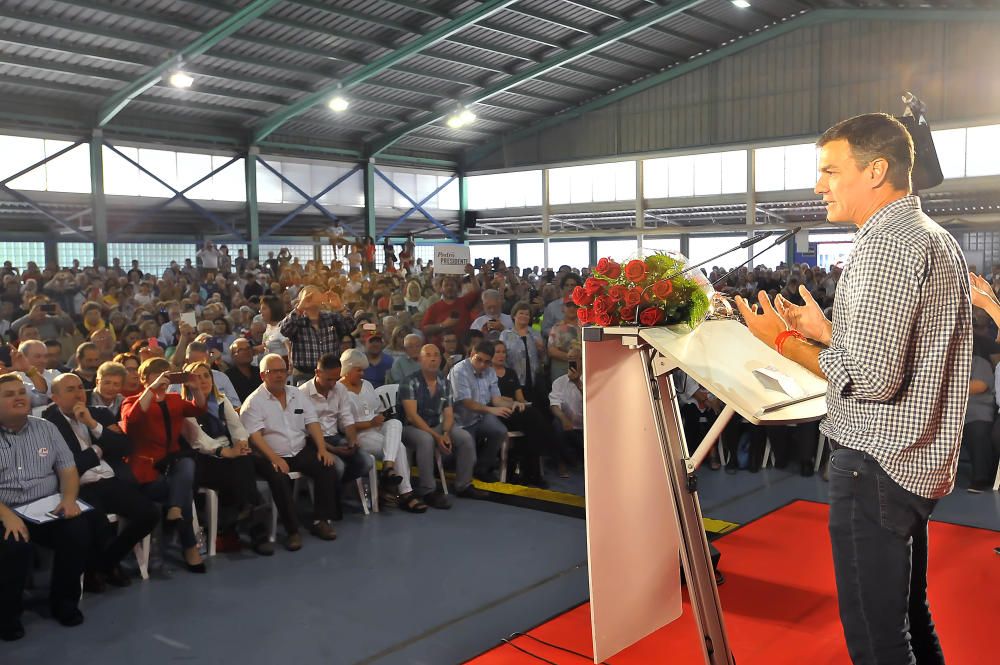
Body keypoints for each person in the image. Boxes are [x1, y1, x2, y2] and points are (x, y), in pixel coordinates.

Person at [737, 113, 971, 664]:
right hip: (917, 459)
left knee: (877, 639)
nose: (819, 185)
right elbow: (903, 351)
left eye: (831, 170)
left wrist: (784, 343)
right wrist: (827, 331)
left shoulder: (884, 245)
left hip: (876, 463)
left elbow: (872, 379)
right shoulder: (930, 237)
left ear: (877, 170)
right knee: (910, 618)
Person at [42, 373, 158, 591]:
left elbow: (125, 447)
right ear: (55, 398)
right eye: (70, 390)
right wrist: (98, 449)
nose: (78, 393)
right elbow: (67, 466)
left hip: (109, 480)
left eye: (79, 387)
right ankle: (105, 567)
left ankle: (101, 565)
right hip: (77, 486)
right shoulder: (48, 425)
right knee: (100, 525)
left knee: (149, 513)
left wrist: (92, 424)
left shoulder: (99, 414)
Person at [0, 373, 93, 639]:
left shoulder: (46, 428)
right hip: (4, 510)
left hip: (44, 506)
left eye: (21, 392)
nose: (19, 397)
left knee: (77, 531)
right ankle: (8, 616)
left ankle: (64, 604)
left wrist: (68, 499)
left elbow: (68, 470)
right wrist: (7, 515)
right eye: (9, 394)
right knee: (13, 545)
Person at [239, 354, 341, 551]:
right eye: (273, 371)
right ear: (262, 375)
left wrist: (321, 448)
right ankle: (292, 531)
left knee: (326, 466)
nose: (279, 375)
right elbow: (255, 437)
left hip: (299, 449)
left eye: (282, 370)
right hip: (269, 454)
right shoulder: (253, 402)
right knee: (279, 478)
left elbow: (312, 422)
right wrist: (275, 458)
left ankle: (321, 520)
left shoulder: (297, 394)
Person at [120, 357, 209, 573]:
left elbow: (198, 410)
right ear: (144, 378)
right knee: (183, 491)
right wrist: (151, 388)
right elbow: (132, 420)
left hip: (172, 465)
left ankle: (176, 510)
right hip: (146, 470)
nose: (163, 377)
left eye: (166, 373)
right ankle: (190, 547)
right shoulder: (131, 401)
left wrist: (196, 389)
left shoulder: (173, 399)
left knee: (187, 464)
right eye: (157, 374)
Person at [180, 362, 269, 556]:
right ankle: (253, 528)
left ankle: (242, 515)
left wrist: (241, 443)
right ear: (188, 382)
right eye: (197, 376)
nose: (203, 380)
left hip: (230, 452)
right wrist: (225, 452)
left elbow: (236, 426)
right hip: (204, 457)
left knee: (245, 459)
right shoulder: (184, 406)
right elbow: (198, 440)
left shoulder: (221, 400)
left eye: (206, 375)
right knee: (241, 470)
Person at [338, 349, 425, 513]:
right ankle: (406, 492)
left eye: (363, 369)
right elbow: (343, 426)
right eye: (359, 370)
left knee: (395, 423)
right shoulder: (338, 390)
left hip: (377, 427)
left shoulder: (367, 385)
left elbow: (377, 409)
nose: (362, 373)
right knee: (399, 447)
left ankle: (388, 467)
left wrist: (380, 417)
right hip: (359, 434)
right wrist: (369, 423)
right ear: (348, 369)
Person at [399, 344, 485, 507]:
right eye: (428, 355)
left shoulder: (444, 382)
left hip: (436, 426)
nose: (433, 358)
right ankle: (427, 490)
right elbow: (412, 416)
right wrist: (437, 436)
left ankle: (463, 485)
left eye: (436, 355)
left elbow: (449, 414)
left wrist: (445, 433)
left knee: (464, 437)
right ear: (420, 359)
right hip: (410, 428)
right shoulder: (409, 381)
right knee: (426, 440)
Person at [298, 353, 372, 487]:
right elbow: (304, 431)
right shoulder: (302, 394)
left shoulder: (340, 388)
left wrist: (352, 440)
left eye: (336, 379)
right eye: (329, 379)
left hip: (335, 436)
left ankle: (336, 489)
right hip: (312, 442)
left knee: (366, 462)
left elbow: (347, 418)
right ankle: (334, 494)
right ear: (317, 373)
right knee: (337, 467)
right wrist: (333, 449)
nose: (333, 384)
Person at [449, 340, 511, 482]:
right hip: (459, 420)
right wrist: (492, 410)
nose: (483, 365)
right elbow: (466, 402)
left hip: (479, 416)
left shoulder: (490, 371)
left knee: (500, 431)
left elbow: (496, 399)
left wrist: (514, 403)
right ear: (472, 354)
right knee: (468, 457)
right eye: (479, 360)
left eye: (487, 362)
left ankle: (482, 469)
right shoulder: (459, 371)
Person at [490, 341, 549, 487]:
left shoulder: (511, 373)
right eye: (497, 352)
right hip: (498, 412)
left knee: (534, 422)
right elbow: (490, 399)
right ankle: (530, 472)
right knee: (534, 422)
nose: (501, 355)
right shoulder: (487, 373)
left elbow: (520, 398)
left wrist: (520, 403)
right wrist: (508, 401)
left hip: (516, 410)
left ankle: (529, 471)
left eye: (503, 352)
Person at [279, 285, 354, 384]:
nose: (311, 298)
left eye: (315, 294)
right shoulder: (296, 319)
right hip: (304, 375)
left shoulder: (331, 317)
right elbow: (284, 330)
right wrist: (300, 308)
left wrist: (340, 307)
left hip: (331, 373)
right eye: (308, 296)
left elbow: (350, 326)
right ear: (300, 300)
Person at [421, 267, 480, 350]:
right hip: (441, 350)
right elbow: (425, 329)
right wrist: (443, 325)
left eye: (452, 285)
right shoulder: (434, 308)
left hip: (463, 348)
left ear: (458, 288)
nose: (449, 288)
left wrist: (472, 275)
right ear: (441, 289)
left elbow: (477, 292)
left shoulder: (464, 302)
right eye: (446, 285)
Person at [498, 301, 546, 403]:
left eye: (527, 314)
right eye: (521, 313)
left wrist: (541, 350)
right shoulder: (505, 334)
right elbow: (501, 356)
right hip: (514, 380)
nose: (524, 316)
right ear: (514, 315)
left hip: (534, 379)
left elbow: (543, 358)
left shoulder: (535, 333)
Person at [13, 339, 61, 407]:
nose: (43, 360)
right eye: (37, 356)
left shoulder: (56, 375)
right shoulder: (14, 379)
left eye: (45, 356)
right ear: (23, 357)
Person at [225, 337, 263, 404]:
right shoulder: (227, 377)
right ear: (233, 356)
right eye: (241, 350)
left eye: (248, 348)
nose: (247, 351)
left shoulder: (260, 372)